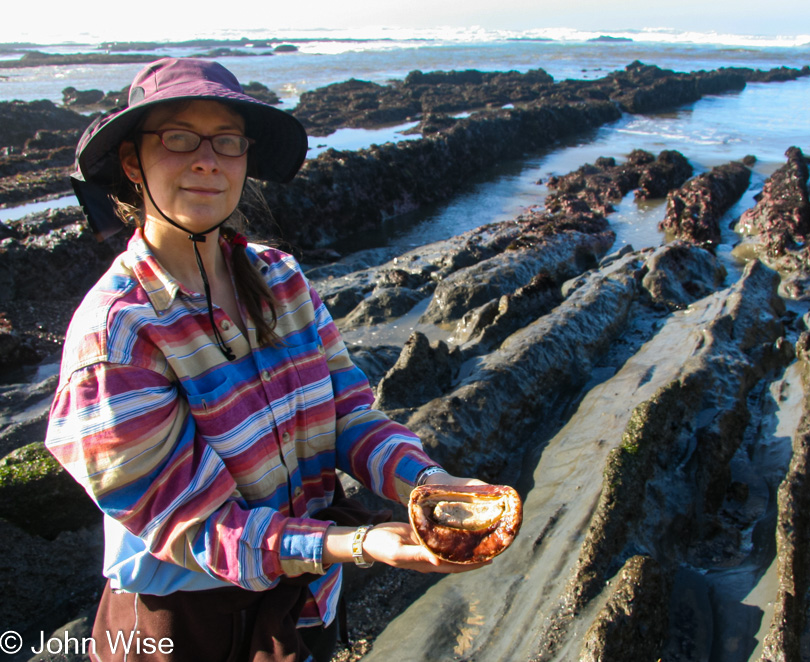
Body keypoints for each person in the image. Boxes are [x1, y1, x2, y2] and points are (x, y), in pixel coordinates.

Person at [44, 57, 486, 662]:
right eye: (178, 138)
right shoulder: (115, 339)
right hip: (188, 628)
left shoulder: (280, 279)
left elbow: (349, 418)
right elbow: (201, 527)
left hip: (304, 600)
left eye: (227, 141)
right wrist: (358, 544)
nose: (207, 160)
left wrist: (431, 484)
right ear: (132, 162)